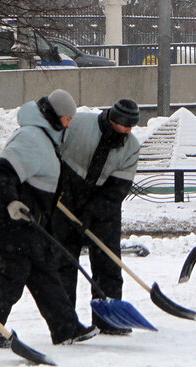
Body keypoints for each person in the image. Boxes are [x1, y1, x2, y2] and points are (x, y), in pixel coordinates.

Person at [0, 89, 99, 349]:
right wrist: (12, 201)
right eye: (67, 119)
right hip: (12, 224)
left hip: (29, 226)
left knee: (45, 275)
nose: (69, 124)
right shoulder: (31, 138)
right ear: (54, 116)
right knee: (11, 277)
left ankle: (66, 328)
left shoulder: (46, 138)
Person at [50, 98, 141, 335]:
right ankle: (65, 323)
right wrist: (64, 198)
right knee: (64, 264)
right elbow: (55, 159)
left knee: (108, 263)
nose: (129, 132)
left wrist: (92, 213)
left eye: (133, 127)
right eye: (126, 126)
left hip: (104, 210)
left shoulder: (131, 146)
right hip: (64, 201)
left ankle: (109, 320)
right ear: (113, 120)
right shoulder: (79, 124)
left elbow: (118, 189)